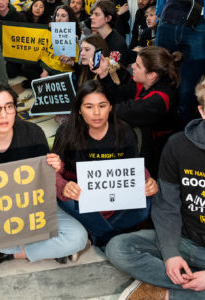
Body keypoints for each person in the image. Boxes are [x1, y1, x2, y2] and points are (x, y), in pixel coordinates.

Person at [0, 81, 88, 284]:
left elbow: (45, 189)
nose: (3, 114)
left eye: (9, 106)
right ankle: (46, 249)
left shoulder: (33, 134)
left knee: (79, 237)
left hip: (33, 208)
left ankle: (4, 254)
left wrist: (54, 168)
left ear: (15, 109)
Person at [106, 76, 205, 300]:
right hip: (184, 241)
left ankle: (168, 292)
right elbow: (167, 206)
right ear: (202, 111)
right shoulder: (178, 145)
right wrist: (170, 254)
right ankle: (189, 285)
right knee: (118, 248)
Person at [52, 80, 158, 247]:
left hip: (116, 200)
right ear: (79, 109)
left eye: (102, 106)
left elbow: (135, 167)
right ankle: (110, 237)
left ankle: (96, 235)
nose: (96, 113)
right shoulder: (66, 133)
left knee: (146, 205)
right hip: (81, 199)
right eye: (89, 107)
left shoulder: (125, 132)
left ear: (110, 107)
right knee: (63, 199)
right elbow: (54, 170)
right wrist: (63, 185)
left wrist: (147, 181)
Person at [94, 46, 181, 176]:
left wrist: (91, 110)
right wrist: (104, 74)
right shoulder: (145, 82)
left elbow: (123, 110)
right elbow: (118, 95)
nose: (132, 66)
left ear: (152, 75)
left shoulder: (160, 99)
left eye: (138, 66)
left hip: (155, 165)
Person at [155, 0, 205, 127]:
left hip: (199, 24)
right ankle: (157, 137)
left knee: (188, 93)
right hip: (168, 19)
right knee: (158, 80)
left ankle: (184, 139)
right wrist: (160, 10)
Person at [89, 0, 129, 66]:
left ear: (108, 18)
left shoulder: (117, 44)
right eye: (92, 14)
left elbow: (115, 72)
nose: (91, 17)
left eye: (97, 14)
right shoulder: (96, 38)